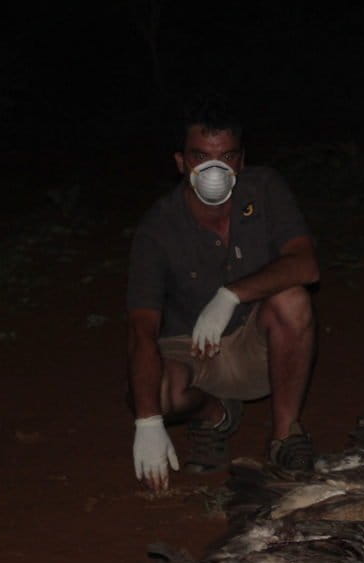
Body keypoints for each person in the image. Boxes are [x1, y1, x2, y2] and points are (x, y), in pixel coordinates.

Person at [127, 98, 319, 491]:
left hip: (253, 343)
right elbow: (141, 329)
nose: (214, 169)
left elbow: (306, 265)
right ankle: (214, 414)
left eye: (226, 156)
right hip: (191, 351)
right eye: (201, 157)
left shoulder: (264, 189)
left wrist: (230, 295)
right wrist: (147, 421)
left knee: (293, 298)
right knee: (155, 392)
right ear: (181, 162)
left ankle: (285, 437)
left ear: (241, 162)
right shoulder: (156, 229)